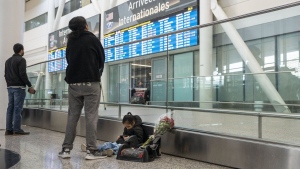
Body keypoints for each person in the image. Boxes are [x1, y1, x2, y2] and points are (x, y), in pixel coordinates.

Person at [58, 16, 105, 160]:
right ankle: (91, 151)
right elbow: (101, 59)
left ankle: (66, 150)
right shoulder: (92, 39)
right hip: (91, 82)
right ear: (85, 25)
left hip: (74, 84)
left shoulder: (71, 41)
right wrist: (96, 73)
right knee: (91, 116)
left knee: (72, 116)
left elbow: (68, 60)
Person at [4, 43, 35, 135]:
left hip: (10, 87)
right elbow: (22, 74)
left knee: (10, 108)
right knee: (17, 108)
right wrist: (29, 85)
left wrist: (9, 84)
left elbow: (5, 75)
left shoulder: (8, 61)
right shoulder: (21, 60)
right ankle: (17, 129)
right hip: (19, 88)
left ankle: (8, 129)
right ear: (21, 50)